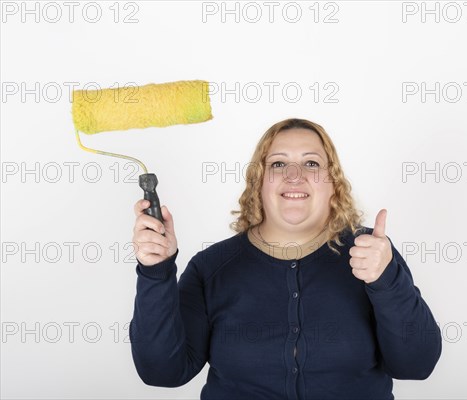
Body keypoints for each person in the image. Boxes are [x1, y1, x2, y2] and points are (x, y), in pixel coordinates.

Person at [129, 118, 442, 400]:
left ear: (333, 182)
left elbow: (417, 365)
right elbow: (162, 373)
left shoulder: (372, 253)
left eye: (311, 163)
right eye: (278, 164)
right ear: (258, 182)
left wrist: (386, 281)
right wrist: (156, 272)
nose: (294, 175)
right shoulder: (211, 267)